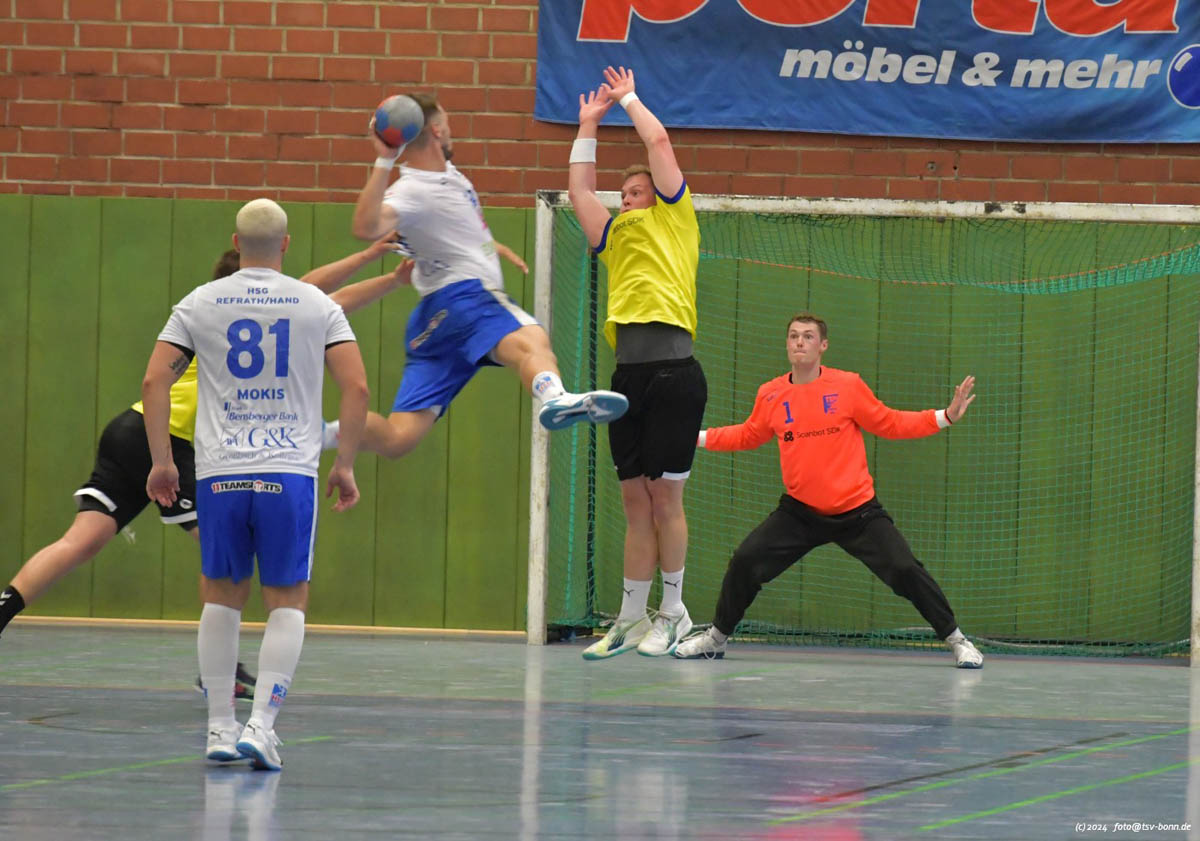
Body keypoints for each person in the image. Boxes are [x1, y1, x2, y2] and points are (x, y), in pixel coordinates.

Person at [0, 236, 406, 705]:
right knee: (222, 553)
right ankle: (219, 670)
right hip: (168, 441)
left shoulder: (209, 317)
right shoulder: (249, 317)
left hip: (127, 430)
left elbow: (319, 291)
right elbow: (321, 293)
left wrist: (380, 265)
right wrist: (381, 268)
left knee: (80, 542)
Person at [144, 198, 370, 770]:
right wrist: (344, 464)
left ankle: (219, 728)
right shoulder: (317, 304)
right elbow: (358, 389)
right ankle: (261, 727)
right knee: (287, 600)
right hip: (287, 470)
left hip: (220, 472)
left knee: (221, 598)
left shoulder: (199, 301)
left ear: (236, 242)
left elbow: (153, 382)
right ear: (286, 245)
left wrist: (163, 462)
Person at [673, 313, 984, 669]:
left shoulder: (848, 386)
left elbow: (890, 422)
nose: (799, 342)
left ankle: (957, 640)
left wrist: (945, 416)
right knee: (745, 560)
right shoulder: (771, 394)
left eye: (808, 336)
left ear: (823, 346)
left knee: (904, 568)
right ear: (787, 344)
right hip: (800, 513)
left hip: (858, 512)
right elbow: (748, 434)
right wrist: (694, 438)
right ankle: (715, 639)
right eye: (793, 336)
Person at [337, 91, 627, 463]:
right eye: (447, 123)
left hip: (431, 323)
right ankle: (555, 397)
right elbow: (365, 227)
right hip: (464, 299)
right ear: (437, 130)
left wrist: (490, 247)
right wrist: (385, 158)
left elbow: (444, 230)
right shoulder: (412, 190)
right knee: (531, 341)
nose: (451, 130)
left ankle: (321, 431)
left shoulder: (447, 178)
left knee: (398, 437)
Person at [566, 66, 707, 658]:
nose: (625, 200)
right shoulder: (614, 237)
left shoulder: (674, 217)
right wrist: (587, 126)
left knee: (666, 499)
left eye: (635, 193)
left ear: (658, 196)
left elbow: (659, 143)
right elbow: (579, 193)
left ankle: (673, 612)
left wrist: (627, 99)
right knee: (634, 501)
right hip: (628, 379)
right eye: (622, 196)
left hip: (676, 374)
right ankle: (629, 618)